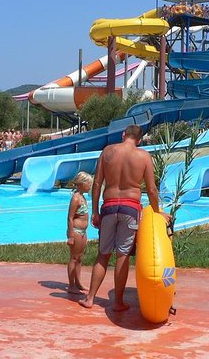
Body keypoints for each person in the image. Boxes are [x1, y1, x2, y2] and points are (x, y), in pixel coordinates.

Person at [79, 125, 170, 311]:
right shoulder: (143, 156)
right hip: (130, 208)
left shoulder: (108, 151)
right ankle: (118, 302)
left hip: (109, 207)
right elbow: (152, 189)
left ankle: (90, 298)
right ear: (139, 140)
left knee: (103, 255)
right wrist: (157, 210)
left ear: (123, 134)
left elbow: (97, 183)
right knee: (122, 255)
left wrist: (95, 211)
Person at [66, 172, 92, 294]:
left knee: (80, 258)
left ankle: (78, 282)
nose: (90, 186)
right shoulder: (76, 198)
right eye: (89, 183)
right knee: (74, 258)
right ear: (82, 184)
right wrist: (71, 235)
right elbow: (70, 217)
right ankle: (71, 285)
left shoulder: (83, 197)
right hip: (76, 232)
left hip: (83, 232)